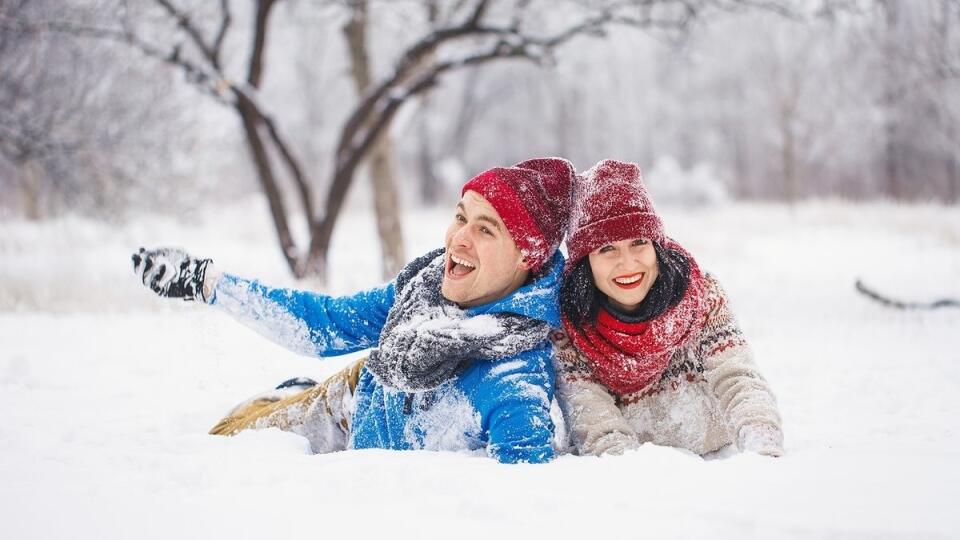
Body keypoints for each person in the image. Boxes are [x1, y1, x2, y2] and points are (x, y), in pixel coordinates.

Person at [132, 158, 576, 464]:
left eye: (486, 230)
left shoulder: (514, 382)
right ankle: (290, 395)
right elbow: (324, 325)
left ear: (527, 258)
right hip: (350, 398)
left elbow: (517, 499)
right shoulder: (423, 292)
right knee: (226, 439)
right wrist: (209, 284)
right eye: (461, 218)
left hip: (365, 455)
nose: (459, 240)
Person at [552, 159, 784, 457]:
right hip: (640, 481)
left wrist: (762, 446)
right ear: (585, 262)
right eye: (607, 249)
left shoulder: (701, 296)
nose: (628, 263)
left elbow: (738, 379)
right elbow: (597, 428)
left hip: (718, 461)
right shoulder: (569, 329)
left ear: (656, 246)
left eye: (638, 242)